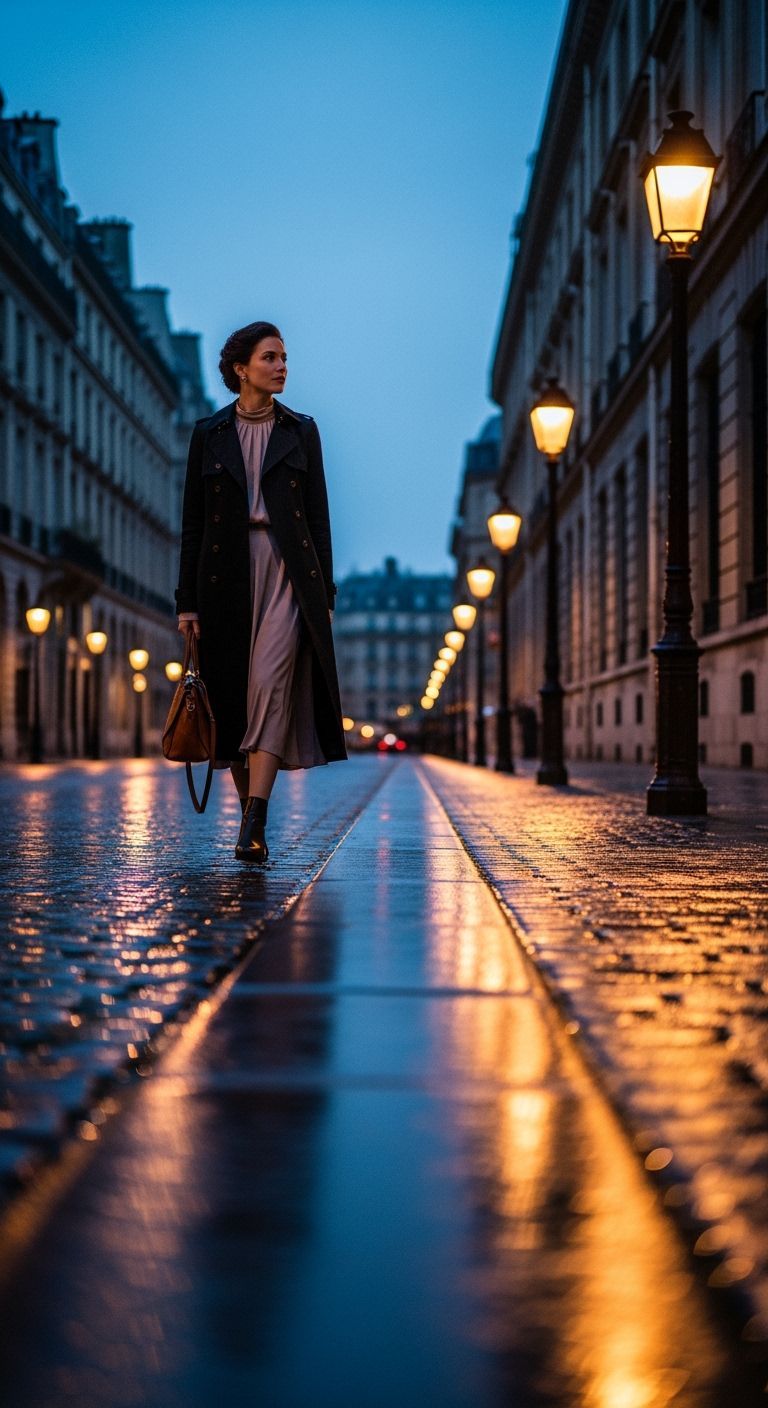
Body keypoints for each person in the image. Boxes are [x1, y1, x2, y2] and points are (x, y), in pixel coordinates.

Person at [175, 320, 347, 862]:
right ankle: (249, 809)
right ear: (240, 368)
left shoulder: (301, 431)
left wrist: (326, 591)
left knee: (270, 686)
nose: (281, 366)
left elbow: (318, 518)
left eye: (284, 357)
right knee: (234, 697)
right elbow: (193, 524)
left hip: (287, 572)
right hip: (224, 574)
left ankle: (256, 816)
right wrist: (187, 601)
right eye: (270, 357)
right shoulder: (210, 433)